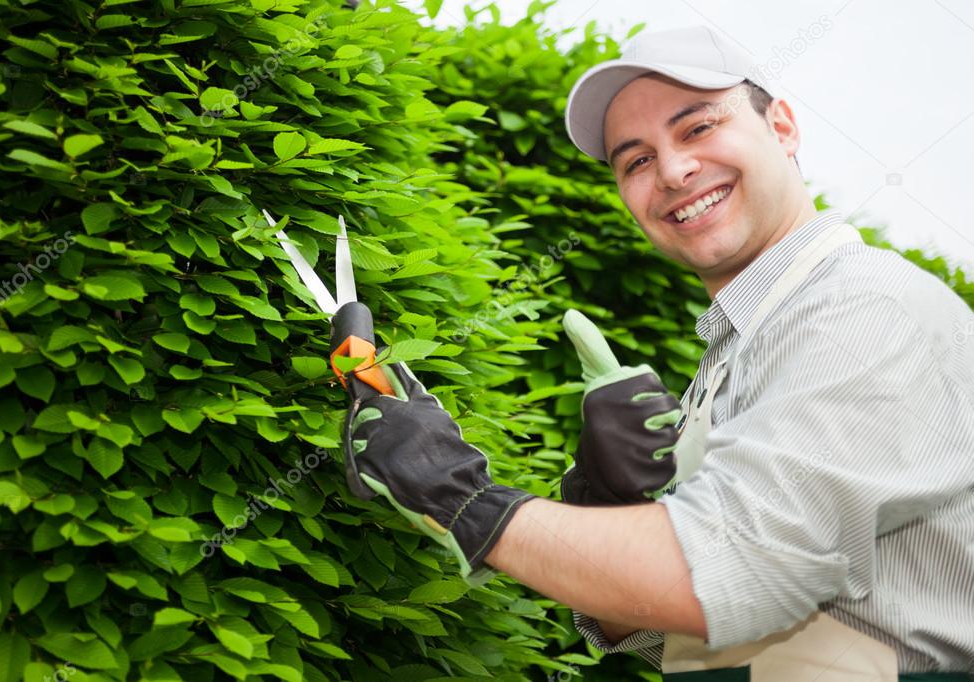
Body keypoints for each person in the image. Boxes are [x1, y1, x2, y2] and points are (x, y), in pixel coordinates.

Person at [342, 25, 974, 681]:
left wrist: (463, 499)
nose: (672, 171)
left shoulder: (858, 309)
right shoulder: (747, 338)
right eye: (635, 160)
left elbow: (730, 571)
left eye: (697, 128)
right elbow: (665, 626)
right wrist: (614, 509)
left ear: (781, 127)